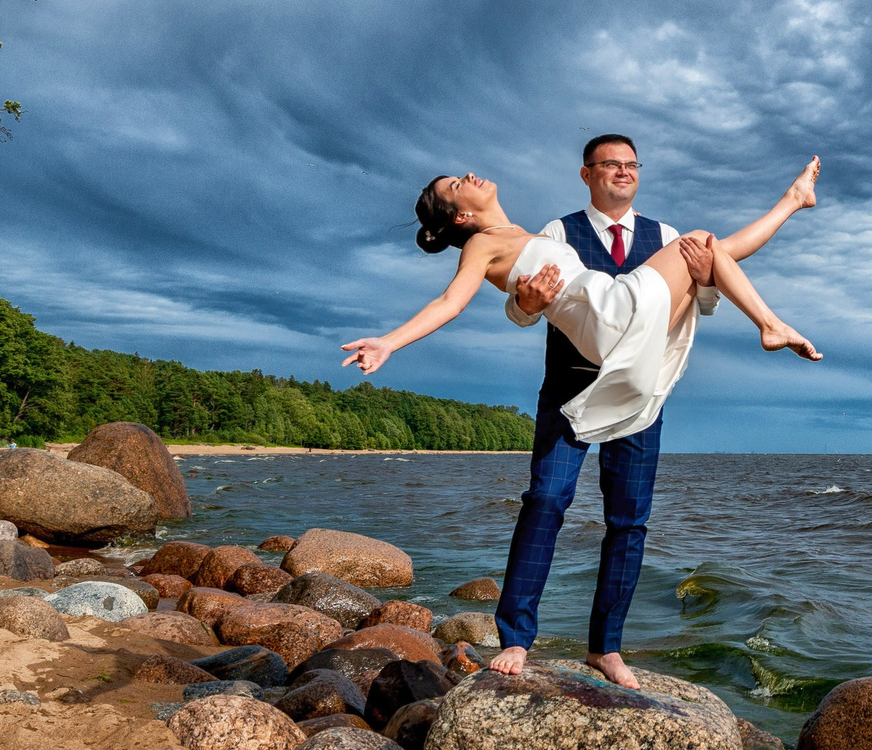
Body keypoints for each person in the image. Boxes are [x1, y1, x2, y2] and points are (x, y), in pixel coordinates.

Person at [341, 148, 820, 687]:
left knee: (629, 520)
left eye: (633, 164)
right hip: (584, 362)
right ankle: (517, 638)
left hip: (630, 348)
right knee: (545, 502)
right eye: (458, 183)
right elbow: (461, 302)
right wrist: (395, 340)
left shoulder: (653, 233)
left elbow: (717, 266)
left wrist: (719, 262)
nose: (472, 174)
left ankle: (606, 648)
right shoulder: (536, 233)